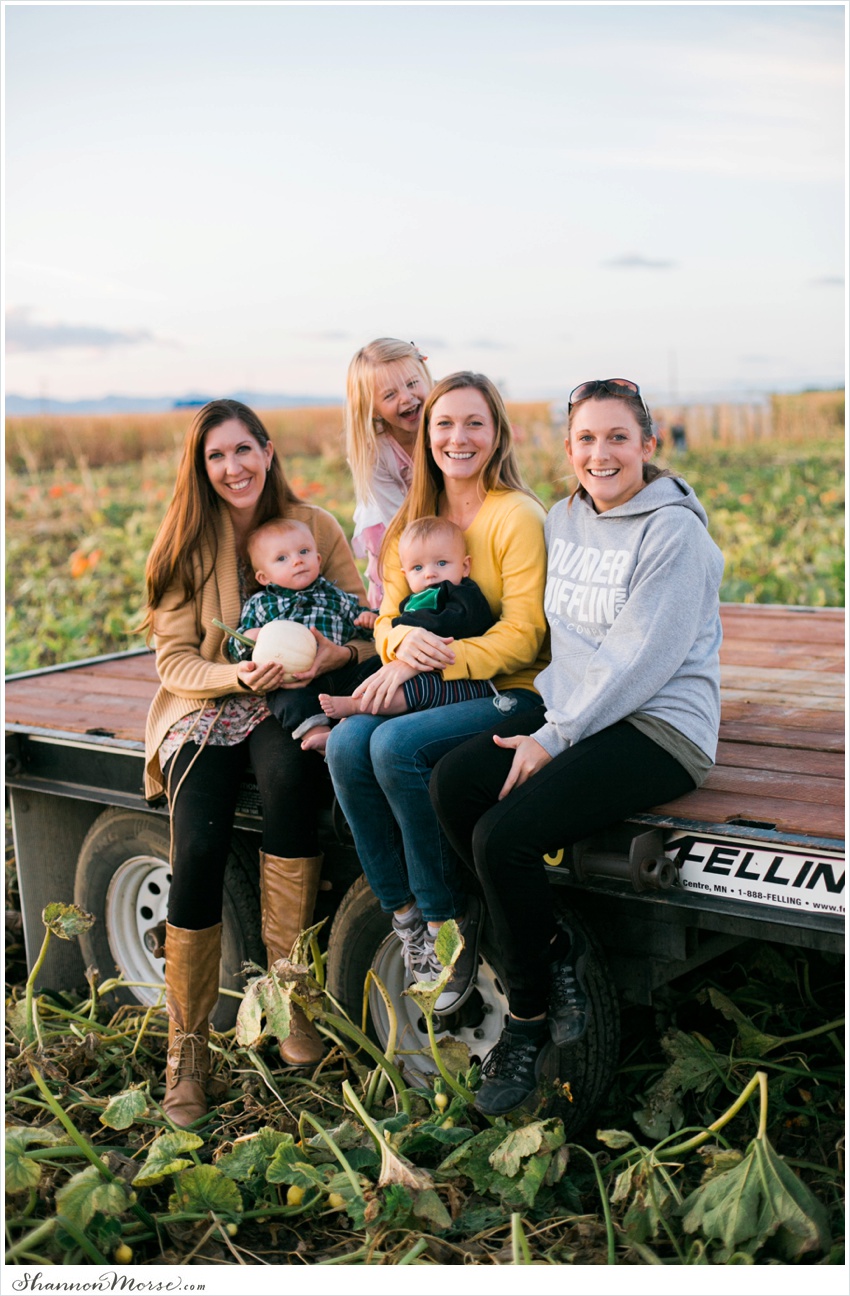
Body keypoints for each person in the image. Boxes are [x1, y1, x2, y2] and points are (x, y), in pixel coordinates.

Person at [431, 378, 723, 1116]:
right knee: (455, 785)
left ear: (647, 446)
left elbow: (638, 659)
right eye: (586, 439)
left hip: (660, 726)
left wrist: (552, 738)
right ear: (568, 450)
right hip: (576, 713)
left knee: (503, 837)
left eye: (618, 437)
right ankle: (550, 945)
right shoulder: (564, 518)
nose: (602, 453)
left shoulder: (673, 532)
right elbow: (568, 642)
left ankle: (527, 1023)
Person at [142, 398, 375, 1126]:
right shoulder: (184, 543)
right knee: (202, 842)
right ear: (201, 465)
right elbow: (176, 658)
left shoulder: (317, 527)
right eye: (217, 455)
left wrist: (342, 654)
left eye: (244, 449)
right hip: (213, 701)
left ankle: (291, 1000)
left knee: (290, 783)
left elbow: (370, 623)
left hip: (294, 698)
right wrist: (236, 677)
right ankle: (188, 1052)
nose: (234, 467)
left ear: (268, 451)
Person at [325, 372, 549, 1013]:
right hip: (435, 685)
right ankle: (406, 919)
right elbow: (390, 618)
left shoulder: (516, 516)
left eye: (474, 423)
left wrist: (434, 659)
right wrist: (399, 648)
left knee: (393, 744)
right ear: (425, 435)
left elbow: (527, 635)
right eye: (444, 424)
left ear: (496, 433)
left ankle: (448, 920)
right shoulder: (410, 528)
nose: (458, 437)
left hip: (513, 690)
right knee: (346, 744)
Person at [319, 515, 501, 721]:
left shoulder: (462, 593)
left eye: (441, 563)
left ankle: (357, 705)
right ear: (405, 574)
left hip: (463, 679)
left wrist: (405, 628)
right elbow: (393, 624)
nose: (430, 574)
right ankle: (345, 718)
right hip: (422, 667)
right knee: (378, 672)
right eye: (418, 568)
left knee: (418, 688)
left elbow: (459, 622)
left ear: (465, 566)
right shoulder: (413, 600)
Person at [226, 517, 379, 753]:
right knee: (285, 700)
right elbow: (237, 645)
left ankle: (358, 710)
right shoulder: (261, 604)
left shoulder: (334, 596)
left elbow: (360, 624)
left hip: (337, 672)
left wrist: (368, 619)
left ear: (318, 560)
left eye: (304, 551)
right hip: (293, 681)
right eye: (282, 558)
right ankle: (318, 735)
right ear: (264, 577)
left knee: (376, 667)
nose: (297, 561)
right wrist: (252, 636)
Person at [346, 338, 434, 607]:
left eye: (412, 383)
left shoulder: (447, 426)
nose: (406, 397)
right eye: (389, 395)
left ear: (426, 377)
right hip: (402, 533)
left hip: (446, 527)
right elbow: (403, 523)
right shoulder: (376, 453)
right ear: (371, 407)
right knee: (405, 604)